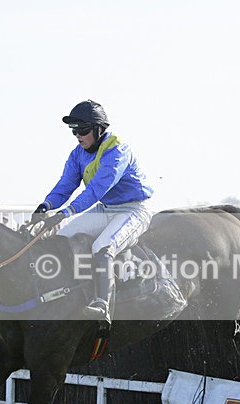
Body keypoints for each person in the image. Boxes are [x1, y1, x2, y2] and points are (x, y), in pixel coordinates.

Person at [33, 100, 154, 324]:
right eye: (74, 131)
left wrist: (66, 212)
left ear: (99, 129)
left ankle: (103, 305)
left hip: (134, 209)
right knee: (62, 237)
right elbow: (65, 185)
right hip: (106, 209)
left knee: (103, 246)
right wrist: (46, 206)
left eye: (83, 130)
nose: (78, 136)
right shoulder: (77, 154)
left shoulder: (118, 151)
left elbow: (97, 189)